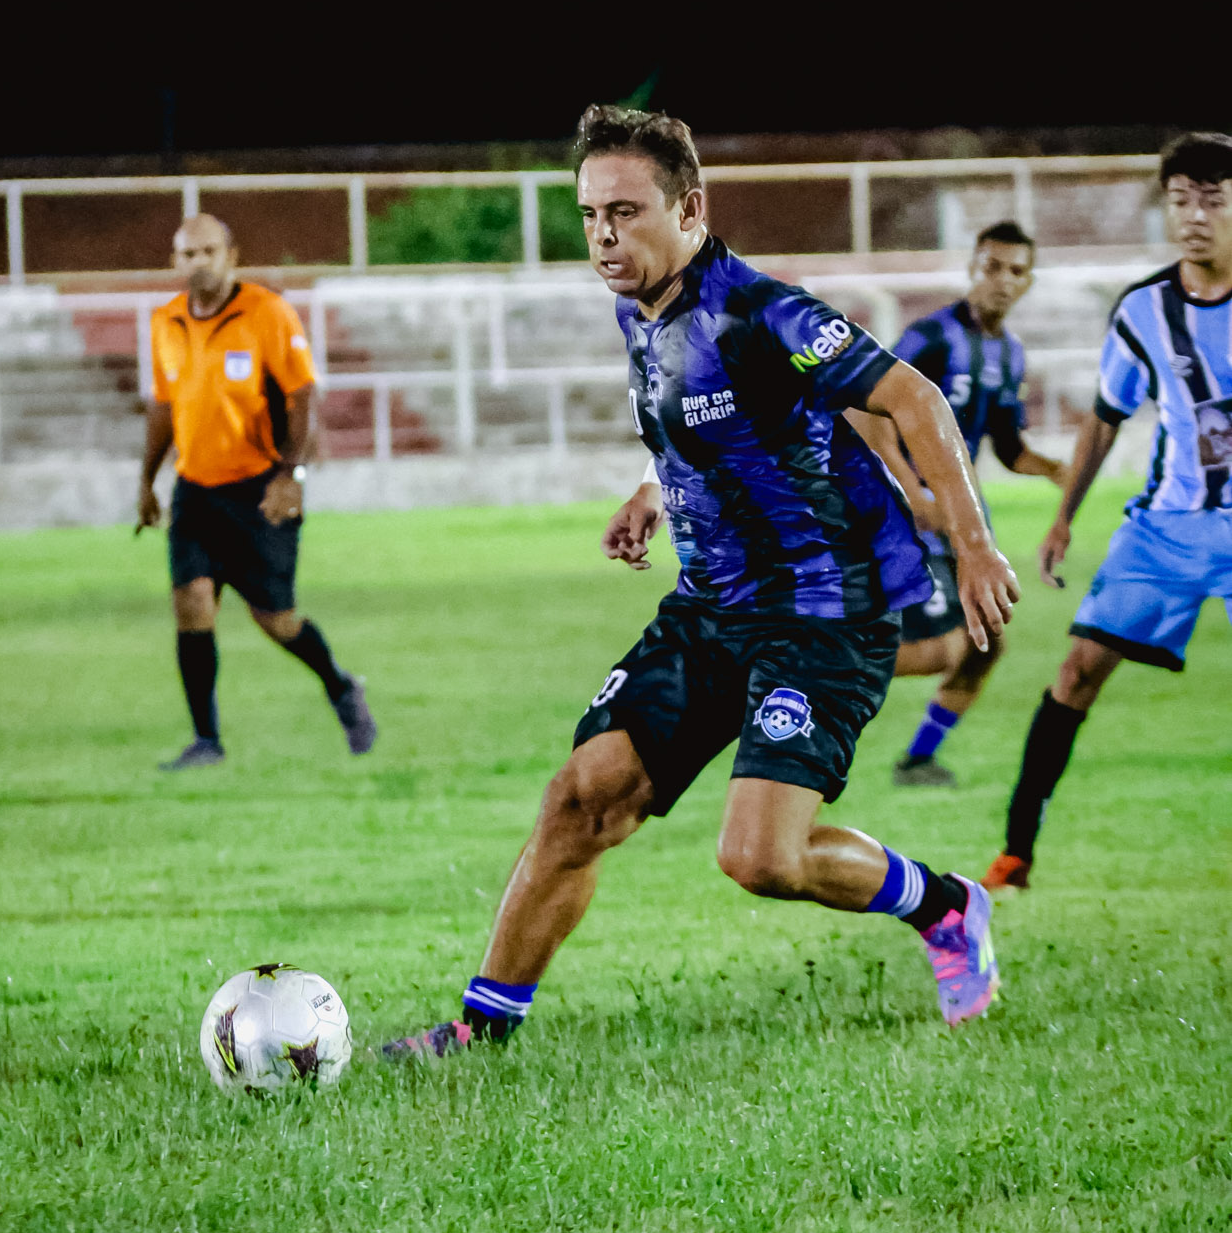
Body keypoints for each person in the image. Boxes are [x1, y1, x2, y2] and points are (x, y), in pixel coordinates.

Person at [385, 106, 1019, 1061]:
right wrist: (651, 491)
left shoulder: (762, 311)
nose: (603, 237)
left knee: (759, 859)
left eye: (625, 213)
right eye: (590, 215)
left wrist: (972, 546)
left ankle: (945, 906)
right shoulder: (637, 307)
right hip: (711, 606)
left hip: (822, 614)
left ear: (688, 209)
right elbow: (699, 421)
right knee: (583, 797)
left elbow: (912, 396)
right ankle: (481, 1028)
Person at [984, 131, 1232, 890]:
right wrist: (1063, 517)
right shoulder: (1144, 311)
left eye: (1213, 200)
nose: (1194, 216)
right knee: (1076, 669)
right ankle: (1015, 854)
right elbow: (1103, 417)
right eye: (1180, 200)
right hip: (1166, 529)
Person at [137, 213, 376, 769]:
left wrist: (292, 475)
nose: (199, 262)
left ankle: (340, 686)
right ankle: (206, 741)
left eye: (209, 252)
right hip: (195, 489)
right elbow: (164, 406)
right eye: (188, 254)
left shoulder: (267, 313)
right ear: (175, 261)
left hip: (259, 488)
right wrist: (146, 481)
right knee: (192, 603)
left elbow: (302, 396)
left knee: (276, 620)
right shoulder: (166, 321)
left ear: (232, 257)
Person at [847, 223, 1068, 788]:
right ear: (972, 268)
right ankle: (812, 664)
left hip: (956, 518)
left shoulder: (1009, 354)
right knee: (942, 648)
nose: (1002, 280)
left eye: (1016, 271)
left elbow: (1008, 447)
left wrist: (1055, 470)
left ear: (1028, 282)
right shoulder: (933, 337)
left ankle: (918, 760)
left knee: (985, 643)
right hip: (905, 517)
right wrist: (911, 491)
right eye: (992, 267)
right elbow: (866, 408)